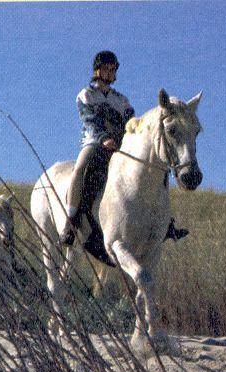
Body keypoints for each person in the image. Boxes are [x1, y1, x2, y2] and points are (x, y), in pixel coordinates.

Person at [59, 51, 188, 265]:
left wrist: (128, 139)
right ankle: (71, 220)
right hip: (95, 143)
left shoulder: (122, 100)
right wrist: (103, 138)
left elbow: (132, 124)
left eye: (113, 70)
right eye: (106, 69)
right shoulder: (86, 94)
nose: (110, 73)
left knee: (157, 170)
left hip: (120, 146)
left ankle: (167, 223)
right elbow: (89, 120)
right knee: (80, 169)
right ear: (97, 70)